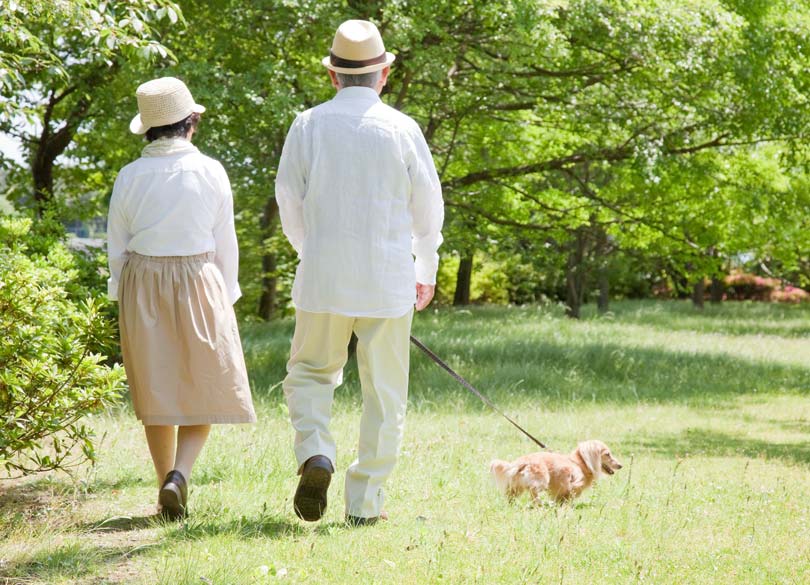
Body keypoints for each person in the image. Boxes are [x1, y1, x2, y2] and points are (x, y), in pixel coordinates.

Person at [276, 19, 444, 526]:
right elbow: (428, 208)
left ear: (332, 76)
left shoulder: (307, 124)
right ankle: (365, 504)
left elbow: (289, 200)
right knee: (385, 394)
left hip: (323, 275)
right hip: (388, 277)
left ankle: (316, 452)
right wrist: (426, 264)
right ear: (384, 73)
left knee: (309, 373)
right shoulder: (403, 128)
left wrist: (314, 250)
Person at [107, 77, 256, 519]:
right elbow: (224, 241)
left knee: (157, 388)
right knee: (203, 384)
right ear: (191, 123)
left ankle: (162, 485)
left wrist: (123, 296)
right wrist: (227, 295)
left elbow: (117, 245)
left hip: (143, 281)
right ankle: (181, 475)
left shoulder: (130, 176)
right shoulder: (211, 170)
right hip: (199, 276)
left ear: (149, 129)